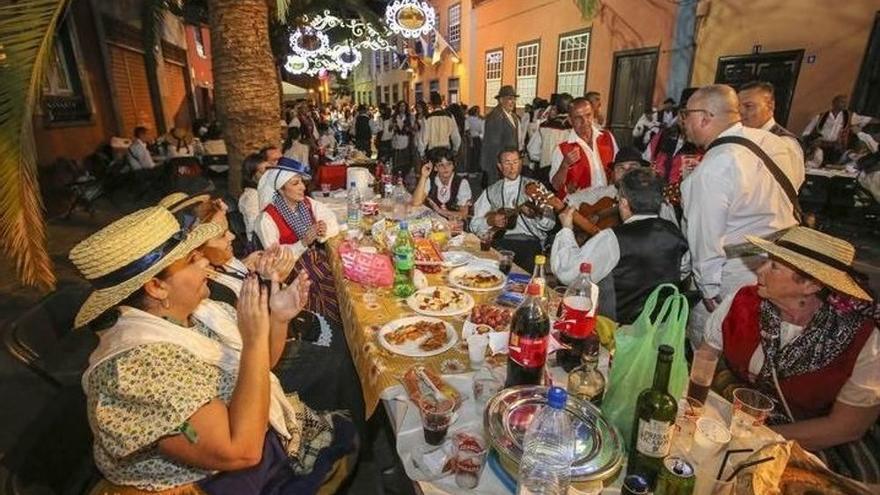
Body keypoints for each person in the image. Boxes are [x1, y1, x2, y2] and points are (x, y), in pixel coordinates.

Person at [70, 206, 357, 494]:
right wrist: (255, 338)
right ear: (156, 287)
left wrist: (278, 319)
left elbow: (259, 368)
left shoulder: (202, 313)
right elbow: (241, 450)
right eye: (193, 258)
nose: (206, 261)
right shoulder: (138, 367)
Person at [701, 227, 880, 483]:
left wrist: (757, 439)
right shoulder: (743, 301)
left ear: (811, 284)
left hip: (807, 440)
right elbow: (705, 357)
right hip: (734, 418)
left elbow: (846, 427)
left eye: (773, 266)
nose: (760, 270)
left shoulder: (863, 340)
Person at [164, 194, 365, 420]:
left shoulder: (220, 264)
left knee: (343, 339)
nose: (231, 236)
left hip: (275, 332)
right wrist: (273, 280)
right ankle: (347, 428)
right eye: (222, 235)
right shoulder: (208, 291)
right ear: (196, 251)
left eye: (228, 229)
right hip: (264, 357)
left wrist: (258, 269)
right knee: (340, 358)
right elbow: (257, 346)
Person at [679, 84, 802, 346]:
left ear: (704, 117)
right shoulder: (773, 142)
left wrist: (710, 292)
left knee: (713, 342)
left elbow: (705, 240)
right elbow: (795, 184)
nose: (684, 122)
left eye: (686, 114)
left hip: (740, 269)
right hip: (786, 264)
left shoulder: (712, 170)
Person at [552, 168, 690, 324]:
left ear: (624, 203)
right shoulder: (675, 233)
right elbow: (683, 271)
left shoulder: (613, 238)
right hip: (662, 327)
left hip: (619, 332)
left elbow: (569, 273)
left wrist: (566, 230)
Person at [255, 157, 342, 327]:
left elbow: (331, 217)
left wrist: (324, 229)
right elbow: (275, 261)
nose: (302, 187)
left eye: (301, 182)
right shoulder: (266, 218)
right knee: (333, 288)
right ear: (281, 189)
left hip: (314, 262)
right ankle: (329, 324)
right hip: (291, 274)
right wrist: (303, 243)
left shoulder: (307, 203)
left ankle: (337, 320)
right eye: (295, 183)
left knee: (340, 277)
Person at [470, 147, 556, 272]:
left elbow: (550, 224)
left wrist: (537, 215)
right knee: (487, 272)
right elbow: (473, 225)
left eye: (515, 162)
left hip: (529, 242)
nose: (512, 167)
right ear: (499, 166)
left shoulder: (535, 188)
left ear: (521, 163)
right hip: (500, 241)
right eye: (507, 163)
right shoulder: (491, 191)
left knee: (525, 278)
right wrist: (490, 221)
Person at [738, 81, 804, 187]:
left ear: (770, 106)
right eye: (738, 106)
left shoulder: (784, 142)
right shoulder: (741, 136)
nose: (741, 111)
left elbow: (789, 187)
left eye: (748, 106)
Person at [550, 97, 618, 200]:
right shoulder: (562, 149)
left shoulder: (607, 137)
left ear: (593, 115)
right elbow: (555, 186)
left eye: (588, 115)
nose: (585, 121)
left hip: (608, 202)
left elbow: (619, 169)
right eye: (578, 117)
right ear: (570, 120)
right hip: (579, 208)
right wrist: (565, 165)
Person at [802, 94, 879, 163]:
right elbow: (807, 132)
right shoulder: (821, 116)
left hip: (837, 149)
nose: (844, 104)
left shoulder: (849, 116)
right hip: (821, 146)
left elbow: (865, 119)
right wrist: (810, 142)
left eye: (845, 102)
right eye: (842, 102)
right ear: (834, 103)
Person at [411, 147, 472, 218]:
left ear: (453, 166)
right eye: (441, 165)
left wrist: (441, 211)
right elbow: (416, 203)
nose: (445, 168)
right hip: (433, 221)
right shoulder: (431, 180)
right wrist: (424, 177)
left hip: (454, 223)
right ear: (435, 168)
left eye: (449, 164)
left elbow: (463, 214)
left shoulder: (462, 183)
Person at [528, 93, 573, 185]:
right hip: (568, 173)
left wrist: (544, 156)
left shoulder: (545, 126)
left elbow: (532, 151)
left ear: (556, 108)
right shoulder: (576, 128)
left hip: (546, 171)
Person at [480, 86, 521, 187]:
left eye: (514, 99)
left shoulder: (512, 116)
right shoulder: (495, 116)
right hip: (498, 164)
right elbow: (493, 144)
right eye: (510, 99)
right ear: (501, 100)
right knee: (497, 190)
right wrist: (501, 166)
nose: (513, 102)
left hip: (508, 162)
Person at [238, 153, 271, 248]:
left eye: (269, 170)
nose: (268, 174)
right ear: (252, 176)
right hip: (260, 244)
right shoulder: (251, 197)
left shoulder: (265, 190)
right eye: (263, 171)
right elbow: (254, 227)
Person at [419, 92, 461, 156]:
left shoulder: (427, 118)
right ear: (441, 102)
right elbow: (455, 135)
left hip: (432, 151)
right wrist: (455, 149)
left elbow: (424, 137)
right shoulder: (450, 116)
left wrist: (422, 153)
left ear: (431, 103)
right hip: (446, 150)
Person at [391, 100, 415, 176]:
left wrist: (409, 129)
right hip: (396, 141)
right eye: (401, 106)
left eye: (404, 106)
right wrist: (393, 128)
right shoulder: (394, 117)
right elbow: (390, 129)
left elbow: (413, 130)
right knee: (397, 162)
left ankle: (404, 176)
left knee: (405, 162)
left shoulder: (410, 117)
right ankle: (396, 176)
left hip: (406, 141)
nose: (402, 108)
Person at [465, 105, 484, 178]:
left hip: (469, 138)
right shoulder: (479, 120)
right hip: (477, 138)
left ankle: (470, 170)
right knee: (477, 155)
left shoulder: (467, 119)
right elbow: (481, 131)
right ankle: (476, 169)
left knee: (470, 155)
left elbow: (466, 130)